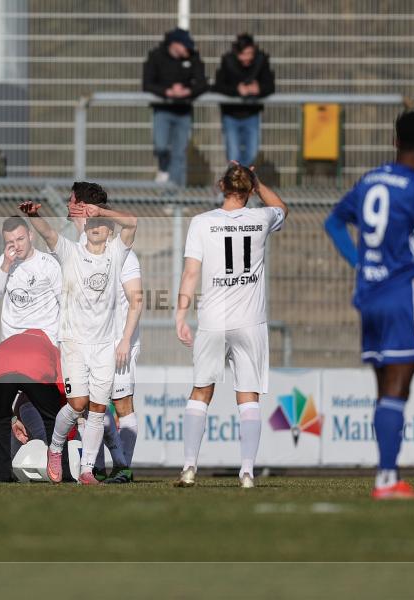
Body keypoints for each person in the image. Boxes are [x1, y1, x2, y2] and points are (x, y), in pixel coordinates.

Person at [324, 111, 414, 501]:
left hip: (368, 294)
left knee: (383, 384)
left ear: (395, 141)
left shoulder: (370, 179)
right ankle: (388, 479)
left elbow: (335, 223)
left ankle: (385, 476)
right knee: (399, 384)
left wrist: (359, 263)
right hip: (399, 292)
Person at [175, 162, 288, 488]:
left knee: (201, 390)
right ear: (250, 190)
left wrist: (180, 315)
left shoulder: (201, 223)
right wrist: (259, 182)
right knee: (248, 396)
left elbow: (190, 274)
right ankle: (248, 472)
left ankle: (189, 467)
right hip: (250, 322)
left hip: (212, 321)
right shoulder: (261, 218)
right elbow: (281, 208)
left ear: (220, 185)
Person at [19, 192, 137, 485]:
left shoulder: (116, 253)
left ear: (109, 231)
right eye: (92, 223)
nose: (96, 227)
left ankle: (86, 470)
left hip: (104, 346)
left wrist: (102, 211)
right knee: (78, 404)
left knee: (98, 409)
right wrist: (33, 217)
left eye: (102, 224)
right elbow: (47, 234)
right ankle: (55, 448)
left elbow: (132, 222)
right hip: (73, 342)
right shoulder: (71, 251)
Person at [67, 182, 144, 484]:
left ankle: (123, 467)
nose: (68, 207)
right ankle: (94, 468)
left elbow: (136, 299)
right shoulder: (82, 244)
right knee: (89, 406)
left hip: (117, 343)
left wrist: (124, 340)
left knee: (122, 404)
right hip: (91, 342)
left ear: (85, 207)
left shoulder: (121, 253)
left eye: (72, 202)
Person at [0, 328, 67, 482]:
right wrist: (65, 419)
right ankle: (65, 475)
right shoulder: (51, 348)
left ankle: (0, 477)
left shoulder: (7, 343)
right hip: (35, 364)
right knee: (52, 420)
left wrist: (13, 419)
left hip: (1, 363)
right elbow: (61, 388)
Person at [142, 27, 209, 186]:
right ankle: (163, 168)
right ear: (175, 44)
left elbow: (203, 83)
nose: (189, 49)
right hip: (162, 110)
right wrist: (168, 92)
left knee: (179, 155)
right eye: (185, 45)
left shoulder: (193, 58)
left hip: (183, 112)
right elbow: (147, 84)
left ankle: (174, 198)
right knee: (161, 146)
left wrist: (188, 91)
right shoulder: (156, 56)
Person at [0, 215, 62, 344]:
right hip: (12, 338)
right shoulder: (4, 261)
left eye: (20, 239)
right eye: (10, 242)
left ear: (30, 236)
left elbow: (64, 302)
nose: (16, 246)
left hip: (44, 338)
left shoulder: (48, 264)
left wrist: (60, 340)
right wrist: (6, 265)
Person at [214, 33, 275, 168]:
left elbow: (270, 86)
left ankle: (242, 182)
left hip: (251, 114)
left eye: (250, 53)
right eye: (244, 54)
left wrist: (259, 89)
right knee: (233, 156)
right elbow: (217, 86)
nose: (247, 58)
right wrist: (237, 90)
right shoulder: (228, 61)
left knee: (252, 154)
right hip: (231, 115)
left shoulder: (261, 60)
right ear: (237, 53)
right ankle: (234, 185)